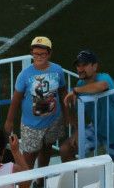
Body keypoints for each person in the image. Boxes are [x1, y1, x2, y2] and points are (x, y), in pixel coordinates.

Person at [6, 37, 68, 173]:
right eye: (36, 53)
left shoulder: (58, 70)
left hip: (53, 121)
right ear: (32, 53)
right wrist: (9, 121)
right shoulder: (24, 75)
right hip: (31, 125)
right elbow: (16, 99)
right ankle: (26, 184)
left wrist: (68, 115)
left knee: (47, 150)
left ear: (49, 54)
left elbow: (63, 92)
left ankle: (40, 181)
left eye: (43, 54)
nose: (39, 57)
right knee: (28, 157)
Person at [66, 49, 114, 160]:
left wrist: (76, 90)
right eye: (78, 65)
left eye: (84, 65)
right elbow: (77, 110)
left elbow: (102, 86)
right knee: (67, 149)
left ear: (95, 66)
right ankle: (77, 176)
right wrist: (77, 131)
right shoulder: (80, 83)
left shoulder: (104, 77)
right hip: (97, 129)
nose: (80, 69)